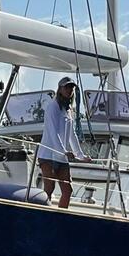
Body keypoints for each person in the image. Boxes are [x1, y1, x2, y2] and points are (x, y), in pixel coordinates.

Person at [37, 76, 92, 208]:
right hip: (48, 155)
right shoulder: (52, 107)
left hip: (61, 157)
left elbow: (71, 134)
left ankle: (61, 216)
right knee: (49, 188)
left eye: (71, 88)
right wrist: (63, 151)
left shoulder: (68, 110)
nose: (69, 90)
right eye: (67, 87)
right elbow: (52, 131)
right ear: (60, 89)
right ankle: (45, 216)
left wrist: (80, 155)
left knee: (67, 190)